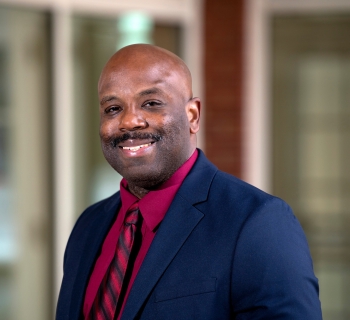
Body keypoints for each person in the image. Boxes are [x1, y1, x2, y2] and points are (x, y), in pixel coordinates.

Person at [56, 44, 321, 320]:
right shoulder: (89, 226)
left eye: (151, 103)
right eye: (113, 108)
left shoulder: (258, 223)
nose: (129, 121)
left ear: (192, 115)